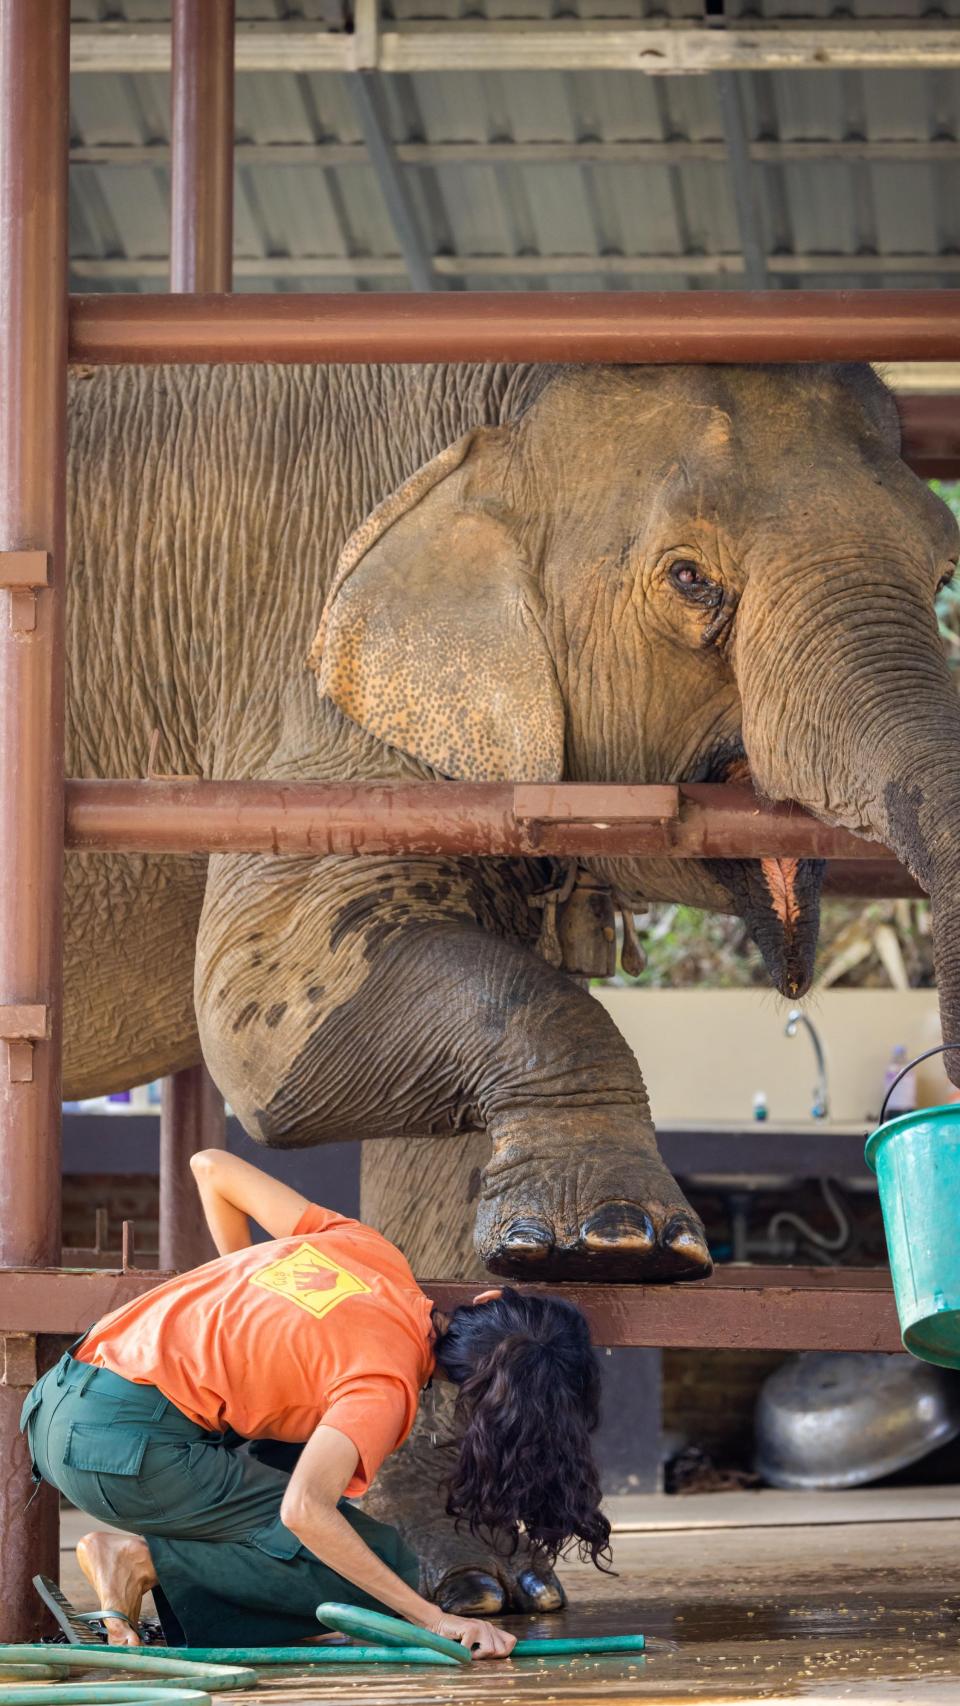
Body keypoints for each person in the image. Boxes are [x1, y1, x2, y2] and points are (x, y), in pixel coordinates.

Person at [21, 1152, 611, 1654]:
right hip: (121, 1452)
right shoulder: (383, 1385)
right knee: (384, 1566)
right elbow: (305, 1510)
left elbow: (212, 1166)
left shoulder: (368, 1250)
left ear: (483, 1299)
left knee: (300, 1445)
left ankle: (154, 1566)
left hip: (55, 1402)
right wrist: (433, 1618)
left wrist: (237, 1276)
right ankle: (141, 1560)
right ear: (485, 1397)